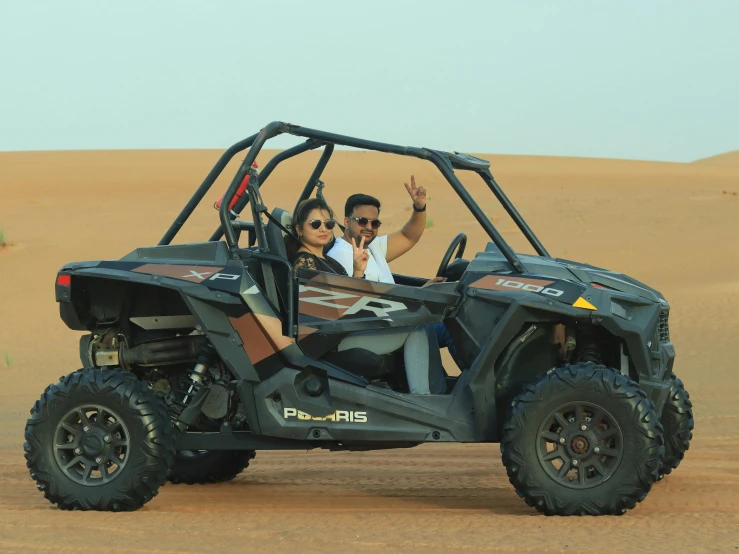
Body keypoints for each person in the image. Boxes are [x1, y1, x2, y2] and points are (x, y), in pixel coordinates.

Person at [286, 197, 446, 395]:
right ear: (299, 229)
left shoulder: (326, 260)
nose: (323, 229)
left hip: (344, 330)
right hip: (331, 342)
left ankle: (431, 394)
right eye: (315, 224)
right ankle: (424, 397)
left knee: (422, 324)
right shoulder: (305, 262)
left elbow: (346, 300)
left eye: (327, 224)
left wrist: (358, 272)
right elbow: (320, 312)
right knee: (417, 327)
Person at [326, 176, 457, 360]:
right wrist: (419, 298)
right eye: (362, 221)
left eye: (375, 223)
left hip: (393, 321)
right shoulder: (341, 256)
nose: (369, 227)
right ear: (347, 222)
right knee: (426, 329)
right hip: (374, 329)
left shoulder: (371, 246)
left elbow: (408, 236)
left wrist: (419, 208)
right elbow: (363, 306)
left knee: (453, 326)